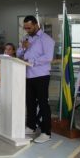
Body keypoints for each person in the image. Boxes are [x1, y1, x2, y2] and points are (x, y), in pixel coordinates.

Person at [17, 15, 54, 143]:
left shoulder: (46, 39)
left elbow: (48, 57)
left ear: (35, 24)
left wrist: (32, 61)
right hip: (28, 75)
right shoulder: (25, 38)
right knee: (30, 103)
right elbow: (18, 54)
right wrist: (23, 48)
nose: (27, 30)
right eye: (25, 28)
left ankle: (46, 132)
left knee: (43, 104)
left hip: (41, 75)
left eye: (29, 27)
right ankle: (31, 126)